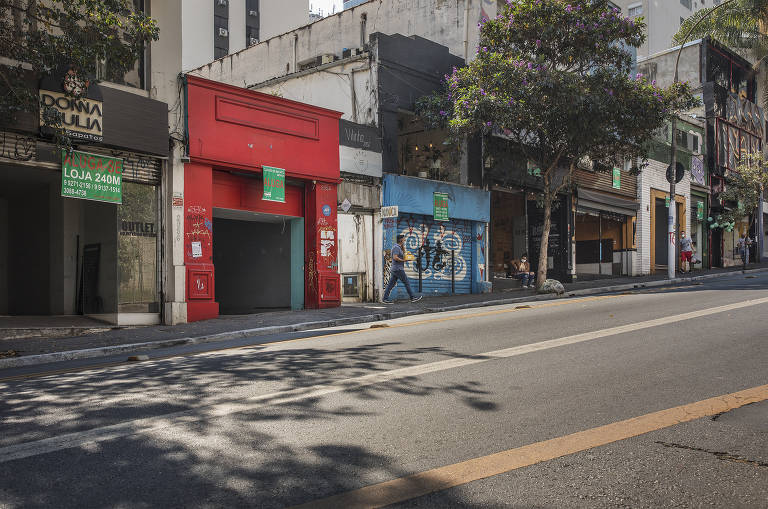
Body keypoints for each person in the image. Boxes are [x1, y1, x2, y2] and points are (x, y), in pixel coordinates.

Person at [382, 234, 422, 304]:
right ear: (400, 240)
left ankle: (385, 299)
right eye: (403, 239)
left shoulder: (399, 247)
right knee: (407, 283)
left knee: (391, 285)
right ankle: (412, 297)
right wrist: (403, 261)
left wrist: (403, 248)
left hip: (396, 269)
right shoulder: (396, 247)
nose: (405, 240)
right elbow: (395, 257)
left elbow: (403, 254)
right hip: (398, 269)